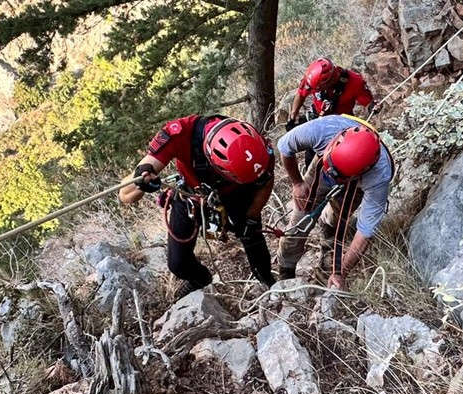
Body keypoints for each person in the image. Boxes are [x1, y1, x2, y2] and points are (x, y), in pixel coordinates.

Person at [120, 116, 276, 295]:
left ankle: (267, 281)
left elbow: (266, 180)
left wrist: (253, 215)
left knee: (252, 235)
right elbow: (125, 195)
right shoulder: (179, 134)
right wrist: (142, 180)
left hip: (236, 193)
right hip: (192, 195)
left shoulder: (257, 146)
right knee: (178, 264)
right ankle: (200, 279)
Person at [275, 115, 393, 290]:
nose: (333, 179)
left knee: (336, 219)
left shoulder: (378, 178)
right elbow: (284, 146)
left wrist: (341, 272)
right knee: (298, 225)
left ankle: (327, 243)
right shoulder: (322, 130)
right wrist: (297, 183)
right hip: (324, 164)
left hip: (357, 184)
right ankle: (286, 273)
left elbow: (364, 233)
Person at [286, 58, 374, 130]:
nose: (316, 90)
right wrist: (292, 118)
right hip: (317, 117)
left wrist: (373, 107)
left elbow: (368, 104)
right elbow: (301, 95)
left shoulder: (355, 82)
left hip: (342, 122)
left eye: (319, 88)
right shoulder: (312, 80)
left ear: (330, 81)